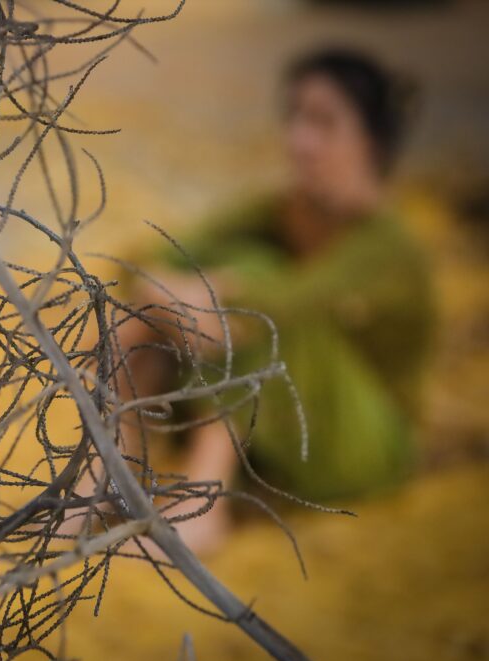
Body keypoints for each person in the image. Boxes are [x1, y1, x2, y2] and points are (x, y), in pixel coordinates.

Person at [72, 48, 434, 554]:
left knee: (248, 286)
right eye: (295, 117)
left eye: (323, 123)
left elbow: (284, 305)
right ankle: (107, 477)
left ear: (370, 140)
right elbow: (143, 256)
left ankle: (204, 503)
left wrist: (198, 292)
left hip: (361, 449)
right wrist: (166, 295)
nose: (299, 140)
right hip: (280, 436)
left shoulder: (385, 245)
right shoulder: (277, 210)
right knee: (166, 306)